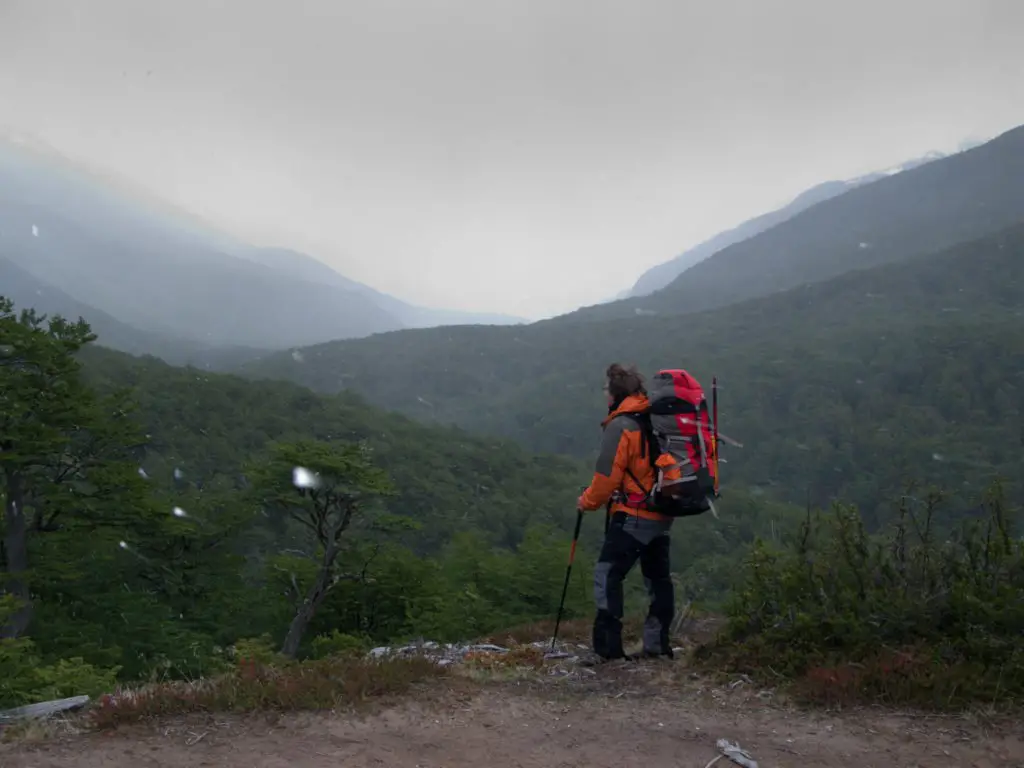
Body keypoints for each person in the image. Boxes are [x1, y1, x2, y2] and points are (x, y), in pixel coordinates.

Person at [576, 363, 676, 662]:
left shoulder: (621, 426)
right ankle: (657, 646)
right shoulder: (653, 419)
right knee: (658, 580)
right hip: (663, 511)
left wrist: (586, 502)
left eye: (606, 390)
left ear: (615, 394)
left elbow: (606, 479)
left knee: (607, 575)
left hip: (633, 515)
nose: (604, 395)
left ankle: (608, 652)